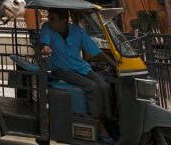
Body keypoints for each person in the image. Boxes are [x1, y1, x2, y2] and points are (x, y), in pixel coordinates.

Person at [40, 8, 117, 142]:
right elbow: (44, 44)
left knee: (104, 86)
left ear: (64, 20)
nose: (49, 21)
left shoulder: (77, 31)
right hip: (63, 70)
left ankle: (108, 117)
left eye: (53, 18)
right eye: (49, 18)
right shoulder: (47, 27)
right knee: (92, 87)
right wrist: (45, 48)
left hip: (81, 67)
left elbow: (95, 51)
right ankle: (97, 123)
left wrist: (115, 65)